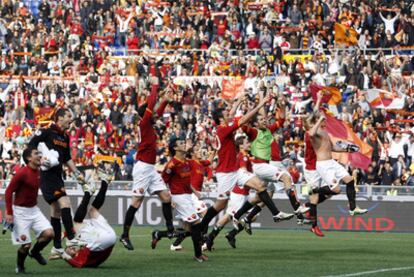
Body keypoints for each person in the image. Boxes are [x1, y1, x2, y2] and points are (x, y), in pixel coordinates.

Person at [199, 93, 293, 236]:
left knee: (261, 186)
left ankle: (276, 214)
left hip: (235, 171)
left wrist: (238, 102)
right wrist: (260, 105)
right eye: (226, 113)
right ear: (220, 118)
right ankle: (202, 227)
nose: (229, 113)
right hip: (225, 173)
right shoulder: (223, 130)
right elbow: (243, 120)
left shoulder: (224, 126)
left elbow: (231, 114)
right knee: (220, 205)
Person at [120, 84, 174, 250]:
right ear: (147, 114)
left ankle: (170, 230)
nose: (156, 116)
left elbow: (156, 112)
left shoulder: (148, 124)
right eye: (152, 113)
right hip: (143, 168)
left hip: (150, 168)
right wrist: (156, 86)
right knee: (136, 202)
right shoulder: (144, 124)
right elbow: (151, 105)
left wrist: (164, 100)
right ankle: (124, 235)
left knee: (166, 197)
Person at [28, 108, 86, 259]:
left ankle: (57, 248)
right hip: (47, 177)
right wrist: (39, 160)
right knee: (65, 203)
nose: (70, 120)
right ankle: (72, 239)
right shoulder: (46, 132)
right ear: (59, 118)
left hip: (58, 176)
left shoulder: (65, 137)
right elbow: (31, 145)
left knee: (56, 210)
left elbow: (67, 159)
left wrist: (77, 173)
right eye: (68, 116)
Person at [152, 138, 207, 262]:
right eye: (181, 143)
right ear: (175, 148)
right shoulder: (172, 164)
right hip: (179, 197)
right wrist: (168, 197)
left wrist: (195, 192)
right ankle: (198, 255)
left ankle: (159, 234)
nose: (184, 144)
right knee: (197, 225)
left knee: (188, 229)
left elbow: (186, 181)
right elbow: (162, 183)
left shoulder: (186, 162)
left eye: (184, 143)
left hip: (188, 196)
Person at [308, 111, 368, 217]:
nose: (325, 120)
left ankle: (353, 208)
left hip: (331, 162)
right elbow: (311, 133)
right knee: (337, 190)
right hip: (323, 164)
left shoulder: (325, 132)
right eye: (323, 119)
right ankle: (315, 189)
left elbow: (333, 148)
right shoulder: (314, 131)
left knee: (349, 180)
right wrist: (320, 120)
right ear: (317, 120)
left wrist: (347, 149)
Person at [5, 147, 54, 274]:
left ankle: (35, 252)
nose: (39, 155)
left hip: (34, 210)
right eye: (36, 154)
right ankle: (20, 266)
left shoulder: (39, 170)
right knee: (26, 245)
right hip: (20, 213)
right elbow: (8, 191)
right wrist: (9, 212)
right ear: (29, 158)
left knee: (49, 234)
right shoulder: (22, 173)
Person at [204, 135, 253, 250]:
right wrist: (252, 181)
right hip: (239, 193)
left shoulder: (244, 156)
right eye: (247, 142)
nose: (249, 144)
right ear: (241, 145)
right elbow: (243, 171)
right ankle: (209, 239)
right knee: (228, 217)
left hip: (245, 193)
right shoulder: (242, 157)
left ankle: (231, 234)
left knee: (252, 216)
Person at [62, 170, 116, 268]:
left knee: (93, 211)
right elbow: (78, 265)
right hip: (101, 241)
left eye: (69, 248)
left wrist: (62, 235)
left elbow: (70, 231)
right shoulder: (82, 256)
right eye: (72, 252)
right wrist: (63, 255)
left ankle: (105, 182)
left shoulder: (81, 242)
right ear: (74, 256)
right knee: (76, 223)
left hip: (108, 235)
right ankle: (88, 193)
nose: (72, 249)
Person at [170, 144, 215, 251]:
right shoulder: (190, 162)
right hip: (191, 195)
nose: (200, 152)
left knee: (188, 226)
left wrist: (214, 151)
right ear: (192, 154)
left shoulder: (201, 163)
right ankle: (203, 241)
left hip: (194, 195)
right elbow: (179, 161)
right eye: (197, 150)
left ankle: (175, 244)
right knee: (205, 215)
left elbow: (209, 161)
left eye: (200, 150)